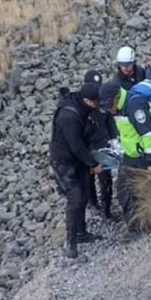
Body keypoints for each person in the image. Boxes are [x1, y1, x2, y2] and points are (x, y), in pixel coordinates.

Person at [99, 81, 151, 239]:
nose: (108, 110)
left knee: (143, 189)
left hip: (148, 153)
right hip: (132, 154)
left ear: (117, 96)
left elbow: (148, 135)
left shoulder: (135, 105)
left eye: (109, 105)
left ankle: (149, 223)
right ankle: (136, 226)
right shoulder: (119, 107)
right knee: (123, 189)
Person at [49, 82, 105, 258]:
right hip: (63, 160)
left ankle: (81, 233)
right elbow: (76, 145)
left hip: (77, 159)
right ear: (88, 100)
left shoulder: (83, 107)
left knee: (83, 195)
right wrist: (93, 164)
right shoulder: (69, 116)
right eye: (97, 102)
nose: (98, 106)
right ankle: (71, 243)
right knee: (75, 198)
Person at [83, 70, 116, 220]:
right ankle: (92, 202)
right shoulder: (82, 106)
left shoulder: (104, 102)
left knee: (105, 177)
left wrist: (113, 140)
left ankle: (106, 208)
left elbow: (110, 122)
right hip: (88, 146)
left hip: (103, 143)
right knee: (88, 176)